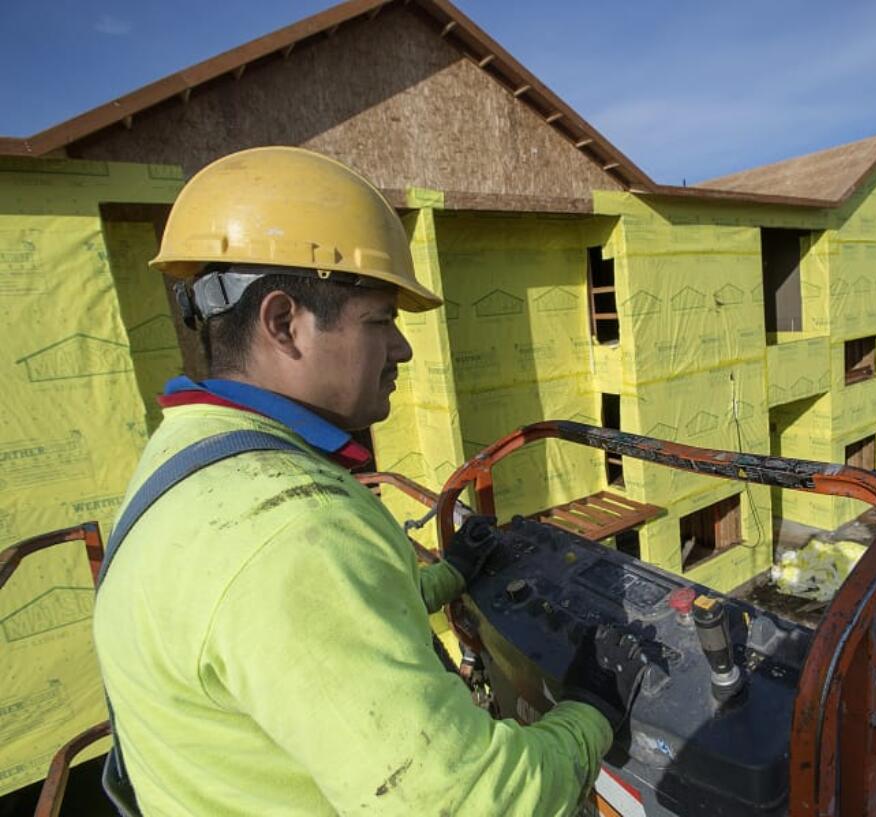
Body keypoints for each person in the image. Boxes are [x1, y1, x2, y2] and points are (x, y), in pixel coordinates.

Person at [92, 147, 636, 816]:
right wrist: (592, 709)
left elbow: (308, 628)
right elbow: (474, 802)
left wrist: (448, 574)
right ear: (284, 322)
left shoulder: (192, 459)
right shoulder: (291, 530)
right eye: (380, 320)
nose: (402, 348)